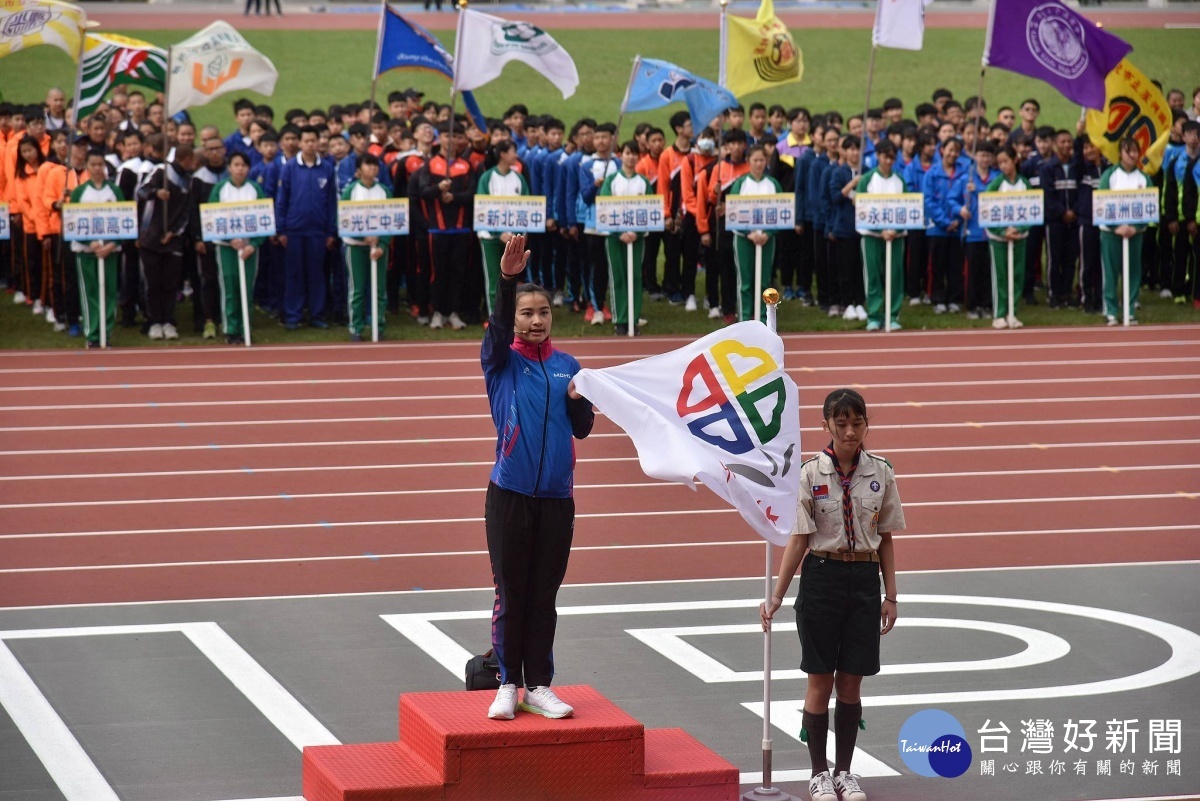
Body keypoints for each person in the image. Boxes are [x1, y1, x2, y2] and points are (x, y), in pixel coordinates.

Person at [760, 388, 903, 801]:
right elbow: (799, 540)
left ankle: (845, 771)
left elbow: (887, 537)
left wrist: (890, 595)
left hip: (863, 580)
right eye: (841, 424)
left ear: (866, 424)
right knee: (820, 681)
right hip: (821, 580)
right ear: (826, 425)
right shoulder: (809, 474)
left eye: (857, 423)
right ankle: (819, 773)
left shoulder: (881, 472)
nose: (850, 431)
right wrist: (776, 596)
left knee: (852, 684)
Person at [482, 233, 595, 722]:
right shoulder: (500, 360)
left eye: (543, 312)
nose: (535, 320)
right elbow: (499, 324)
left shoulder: (569, 366)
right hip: (509, 495)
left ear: (553, 317)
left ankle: (540, 684)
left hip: (556, 499)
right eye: (527, 313)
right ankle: (508, 683)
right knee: (512, 593)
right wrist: (508, 282)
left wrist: (581, 399)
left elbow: (584, 430)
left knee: (544, 594)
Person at [277, 125, 337, 330]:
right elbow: (282, 200)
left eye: (314, 140)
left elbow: (331, 202)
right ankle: (293, 315)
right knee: (294, 273)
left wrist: (331, 231)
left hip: (318, 231)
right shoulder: (290, 168)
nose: (311, 144)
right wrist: (281, 229)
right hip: (294, 230)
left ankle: (317, 314)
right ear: (300, 143)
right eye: (307, 141)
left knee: (316, 274)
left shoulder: (327, 168)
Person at [209, 151, 268, 344]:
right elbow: (211, 218)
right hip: (226, 247)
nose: (240, 169)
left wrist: (253, 244)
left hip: (249, 248)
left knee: (246, 287)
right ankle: (231, 329)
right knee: (230, 286)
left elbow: (264, 220)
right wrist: (229, 239)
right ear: (229, 168)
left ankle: (246, 328)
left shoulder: (255, 189)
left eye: (243, 165)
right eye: (236, 165)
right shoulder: (220, 189)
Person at [70, 150, 125, 348]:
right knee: (90, 292)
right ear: (86, 166)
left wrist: (112, 244)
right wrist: (91, 242)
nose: (96, 169)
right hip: (86, 252)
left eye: (100, 164)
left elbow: (124, 222)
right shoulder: (80, 192)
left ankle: (106, 332)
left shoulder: (115, 191)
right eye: (92, 164)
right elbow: (72, 223)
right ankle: (92, 334)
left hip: (110, 251)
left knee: (109, 291)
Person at [599, 140, 652, 335]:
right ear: (621, 155)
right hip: (615, 238)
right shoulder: (612, 180)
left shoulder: (643, 182)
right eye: (627, 153)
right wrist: (619, 232)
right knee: (618, 276)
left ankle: (633, 318)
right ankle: (620, 320)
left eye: (634, 153)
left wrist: (635, 233)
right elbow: (604, 209)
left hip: (637, 238)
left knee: (636, 276)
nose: (631, 157)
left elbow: (650, 211)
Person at [854, 139, 907, 331]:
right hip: (871, 236)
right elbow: (861, 210)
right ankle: (874, 315)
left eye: (892, 157)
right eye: (885, 157)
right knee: (873, 275)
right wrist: (879, 230)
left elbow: (907, 210)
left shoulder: (899, 181)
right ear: (877, 156)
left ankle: (892, 314)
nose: (888, 161)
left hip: (896, 236)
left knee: (895, 275)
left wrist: (896, 230)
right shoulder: (867, 180)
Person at [1099, 138, 1152, 325]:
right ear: (1120, 153)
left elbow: (1149, 207)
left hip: (1134, 234)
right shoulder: (1110, 175)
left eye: (1135, 151)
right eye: (1128, 151)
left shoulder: (1143, 178)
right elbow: (1101, 204)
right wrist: (1116, 227)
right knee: (1111, 272)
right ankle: (1111, 310)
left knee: (1133, 272)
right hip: (1111, 233)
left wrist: (1135, 227)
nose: (1132, 155)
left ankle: (1129, 310)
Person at [727, 143, 782, 324]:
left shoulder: (773, 184)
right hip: (744, 238)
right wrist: (749, 233)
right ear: (748, 161)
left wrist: (768, 233)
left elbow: (782, 213)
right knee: (745, 281)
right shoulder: (741, 184)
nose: (759, 164)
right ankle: (744, 319)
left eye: (762, 160)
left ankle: (764, 319)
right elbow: (733, 213)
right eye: (755, 160)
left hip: (767, 239)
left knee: (764, 280)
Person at [476, 141, 530, 316]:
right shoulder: (487, 177)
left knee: (512, 279)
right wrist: (498, 233)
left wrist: (521, 234)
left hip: (513, 238)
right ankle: (495, 319)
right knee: (494, 279)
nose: (516, 155)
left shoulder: (518, 178)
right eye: (513, 151)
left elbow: (526, 207)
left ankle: (510, 318)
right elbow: (482, 208)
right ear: (503, 154)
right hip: (490, 238)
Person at [986, 145, 1032, 329]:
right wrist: (1002, 231)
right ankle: (999, 313)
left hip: (1020, 237)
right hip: (999, 239)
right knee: (1001, 276)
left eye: (1006, 161)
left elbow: (1032, 210)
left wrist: (1020, 229)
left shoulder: (1024, 184)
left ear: (1015, 160)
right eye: (1000, 163)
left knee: (1017, 274)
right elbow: (986, 210)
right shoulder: (996, 184)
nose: (1003, 166)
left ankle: (1013, 312)